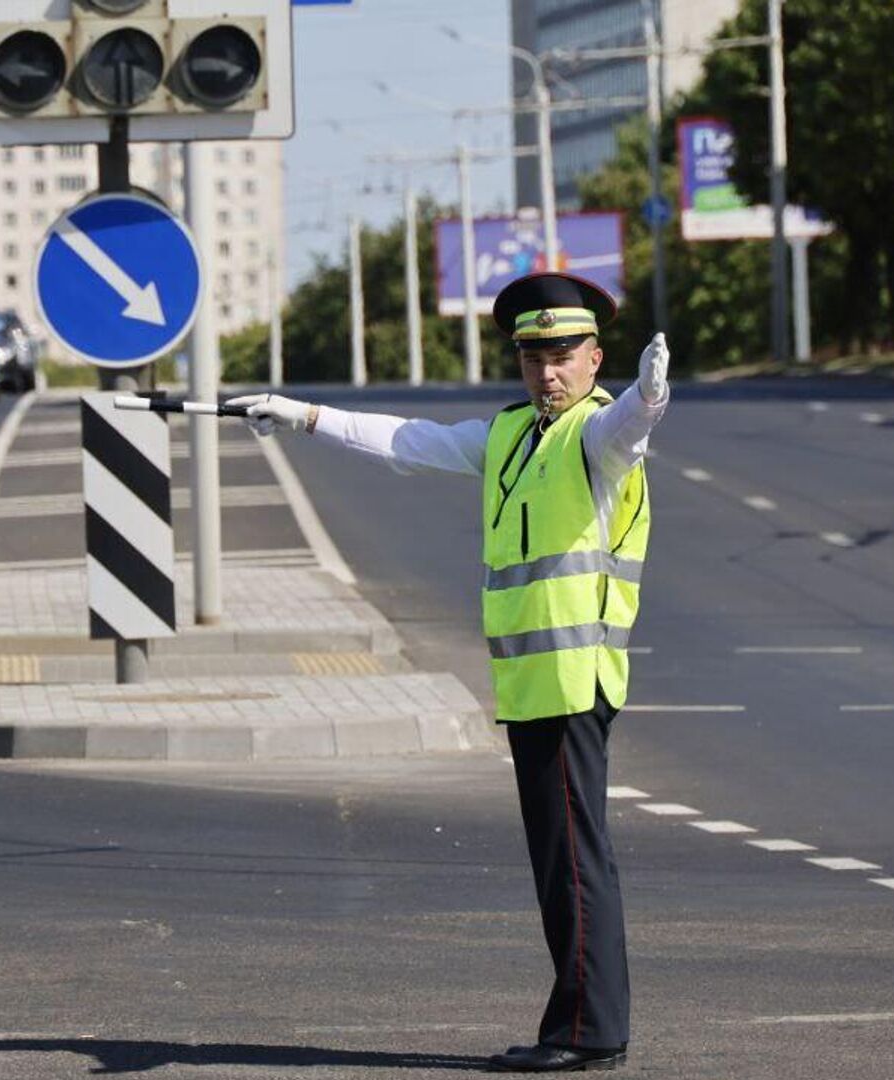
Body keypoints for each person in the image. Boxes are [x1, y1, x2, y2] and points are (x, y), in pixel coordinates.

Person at [230, 271, 669, 1074]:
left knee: (575, 861)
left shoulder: (596, 437)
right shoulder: (511, 436)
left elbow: (629, 437)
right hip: (532, 686)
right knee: (561, 861)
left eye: (565, 353)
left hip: (573, 684)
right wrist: (303, 415)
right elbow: (408, 442)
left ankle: (588, 1033)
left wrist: (648, 398)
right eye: (535, 355)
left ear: (594, 357)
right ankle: (580, 1022)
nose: (549, 370)